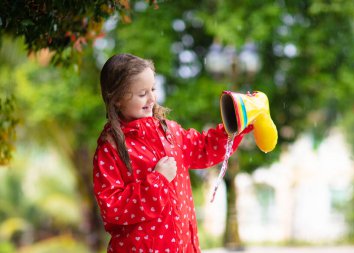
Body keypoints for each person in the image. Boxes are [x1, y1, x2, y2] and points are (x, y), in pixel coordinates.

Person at [93, 53, 253, 253]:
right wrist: (157, 180)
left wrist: (238, 123)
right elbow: (112, 209)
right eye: (142, 93)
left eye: (153, 89)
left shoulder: (170, 132)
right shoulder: (111, 148)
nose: (151, 98)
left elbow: (205, 148)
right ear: (116, 99)